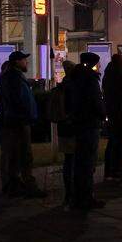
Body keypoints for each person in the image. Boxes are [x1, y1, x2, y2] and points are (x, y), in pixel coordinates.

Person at [0, 51, 45, 198]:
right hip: (18, 122)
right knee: (23, 155)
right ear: (17, 62)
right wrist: (26, 116)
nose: (26, 63)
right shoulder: (13, 78)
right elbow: (18, 101)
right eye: (24, 60)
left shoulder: (13, 77)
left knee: (17, 156)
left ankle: (15, 185)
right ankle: (27, 185)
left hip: (16, 121)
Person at [65, 52, 107, 210]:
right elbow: (96, 100)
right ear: (93, 63)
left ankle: (77, 197)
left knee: (79, 161)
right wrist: (103, 114)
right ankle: (86, 197)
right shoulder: (90, 78)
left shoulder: (73, 77)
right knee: (88, 162)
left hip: (78, 122)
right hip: (90, 122)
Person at [101, 54, 122, 179]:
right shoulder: (121, 74)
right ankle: (116, 169)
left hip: (112, 109)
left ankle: (110, 168)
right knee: (119, 140)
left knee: (113, 141)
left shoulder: (108, 74)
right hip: (120, 110)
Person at [53, 60, 78, 206]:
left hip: (64, 128)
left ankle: (69, 191)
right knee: (73, 160)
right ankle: (72, 191)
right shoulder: (72, 87)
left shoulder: (62, 85)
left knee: (69, 160)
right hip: (71, 127)